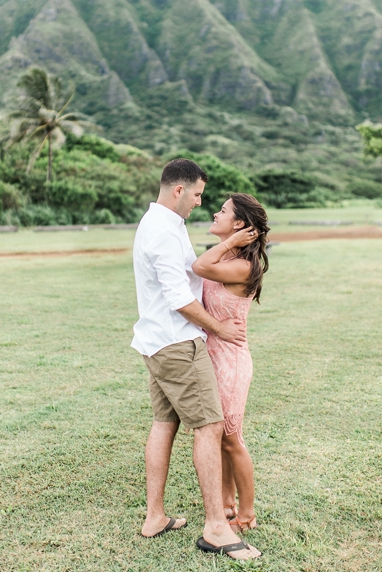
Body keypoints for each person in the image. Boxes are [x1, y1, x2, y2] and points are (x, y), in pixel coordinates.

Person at [131, 158, 261, 561]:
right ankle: (216, 528)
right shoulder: (163, 233)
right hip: (177, 344)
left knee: (164, 423)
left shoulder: (162, 224)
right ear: (178, 191)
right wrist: (218, 329)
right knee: (210, 426)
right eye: (199, 195)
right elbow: (180, 298)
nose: (200, 203)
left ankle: (155, 516)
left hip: (156, 341)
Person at [191, 193, 271, 534]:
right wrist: (231, 242)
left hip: (231, 362)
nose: (215, 212)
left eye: (222, 211)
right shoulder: (230, 259)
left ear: (239, 224)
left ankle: (247, 512)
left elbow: (199, 267)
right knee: (218, 436)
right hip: (213, 356)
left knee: (231, 438)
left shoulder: (243, 265)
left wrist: (232, 243)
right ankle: (225, 504)